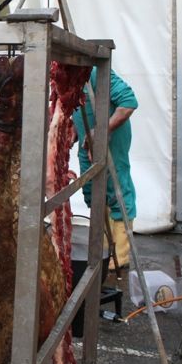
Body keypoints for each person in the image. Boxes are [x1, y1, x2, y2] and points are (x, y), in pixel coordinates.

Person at [73, 68, 138, 270]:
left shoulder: (93, 72)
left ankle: (121, 254)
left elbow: (128, 102)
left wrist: (101, 131)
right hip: (86, 143)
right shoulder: (65, 77)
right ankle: (104, 248)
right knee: (92, 192)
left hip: (111, 140)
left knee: (117, 191)